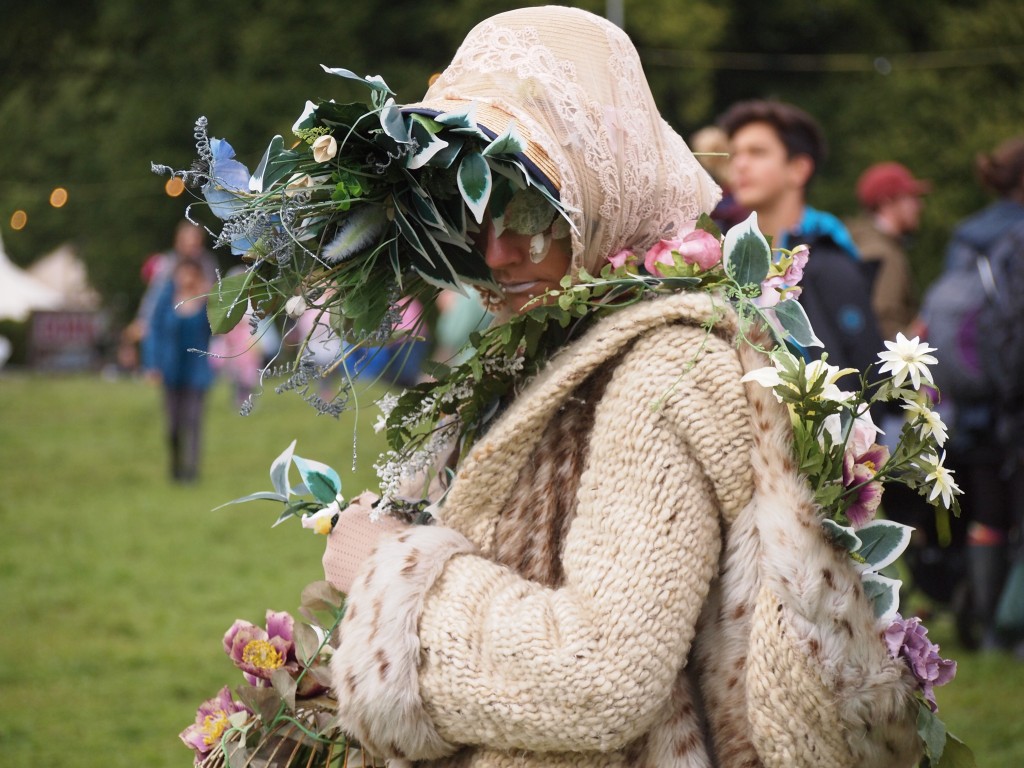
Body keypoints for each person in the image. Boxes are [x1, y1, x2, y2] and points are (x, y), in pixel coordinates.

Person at [308, 8, 921, 767]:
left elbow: (594, 679)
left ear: (603, 184)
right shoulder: (566, 341)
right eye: (476, 207)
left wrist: (386, 576)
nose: (498, 249)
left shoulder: (664, 371)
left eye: (532, 207)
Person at [920, 136, 1024, 650]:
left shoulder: (968, 235)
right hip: (1014, 392)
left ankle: (987, 630)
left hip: (970, 399)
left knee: (987, 512)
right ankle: (1011, 627)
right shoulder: (1017, 234)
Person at [718, 100, 884, 375]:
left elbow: (862, 381)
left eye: (757, 152)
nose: (740, 164)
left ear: (798, 169)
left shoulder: (831, 263)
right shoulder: (720, 261)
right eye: (735, 153)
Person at [141, 257, 214, 482]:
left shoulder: (206, 304)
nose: (188, 278)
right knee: (173, 424)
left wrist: (210, 299)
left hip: (197, 371)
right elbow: (154, 333)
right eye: (184, 273)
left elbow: (219, 328)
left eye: (193, 274)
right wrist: (152, 364)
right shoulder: (166, 301)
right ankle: (175, 465)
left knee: (193, 421)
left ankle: (192, 471)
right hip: (171, 370)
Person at [846, 162, 930, 342]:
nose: (918, 205)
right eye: (910, 198)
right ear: (887, 202)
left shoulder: (865, 243)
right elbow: (884, 324)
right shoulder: (883, 253)